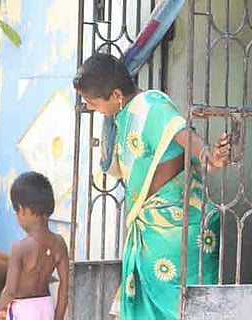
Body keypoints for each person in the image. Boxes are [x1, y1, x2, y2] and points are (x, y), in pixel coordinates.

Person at [73, 53, 230, 319]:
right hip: (152, 229)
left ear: (115, 95)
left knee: (180, 309)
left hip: (174, 229)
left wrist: (207, 155)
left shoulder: (150, 106)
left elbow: (182, 133)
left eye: (93, 102)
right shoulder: (124, 114)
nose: (91, 108)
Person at [0, 171, 69, 320]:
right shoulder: (59, 243)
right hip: (46, 307)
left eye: (16, 211)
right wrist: (58, 316)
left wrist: (0, 308)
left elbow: (10, 290)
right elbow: (65, 287)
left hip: (23, 310)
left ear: (24, 210)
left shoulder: (19, 247)